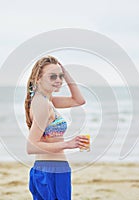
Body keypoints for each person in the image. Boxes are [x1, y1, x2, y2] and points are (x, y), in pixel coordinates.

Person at [25, 55, 87, 200]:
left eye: (60, 76)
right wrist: (68, 144)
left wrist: (66, 74)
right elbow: (31, 146)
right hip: (53, 172)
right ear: (38, 79)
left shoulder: (46, 100)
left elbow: (79, 100)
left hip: (45, 169)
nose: (58, 80)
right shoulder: (43, 104)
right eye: (52, 76)